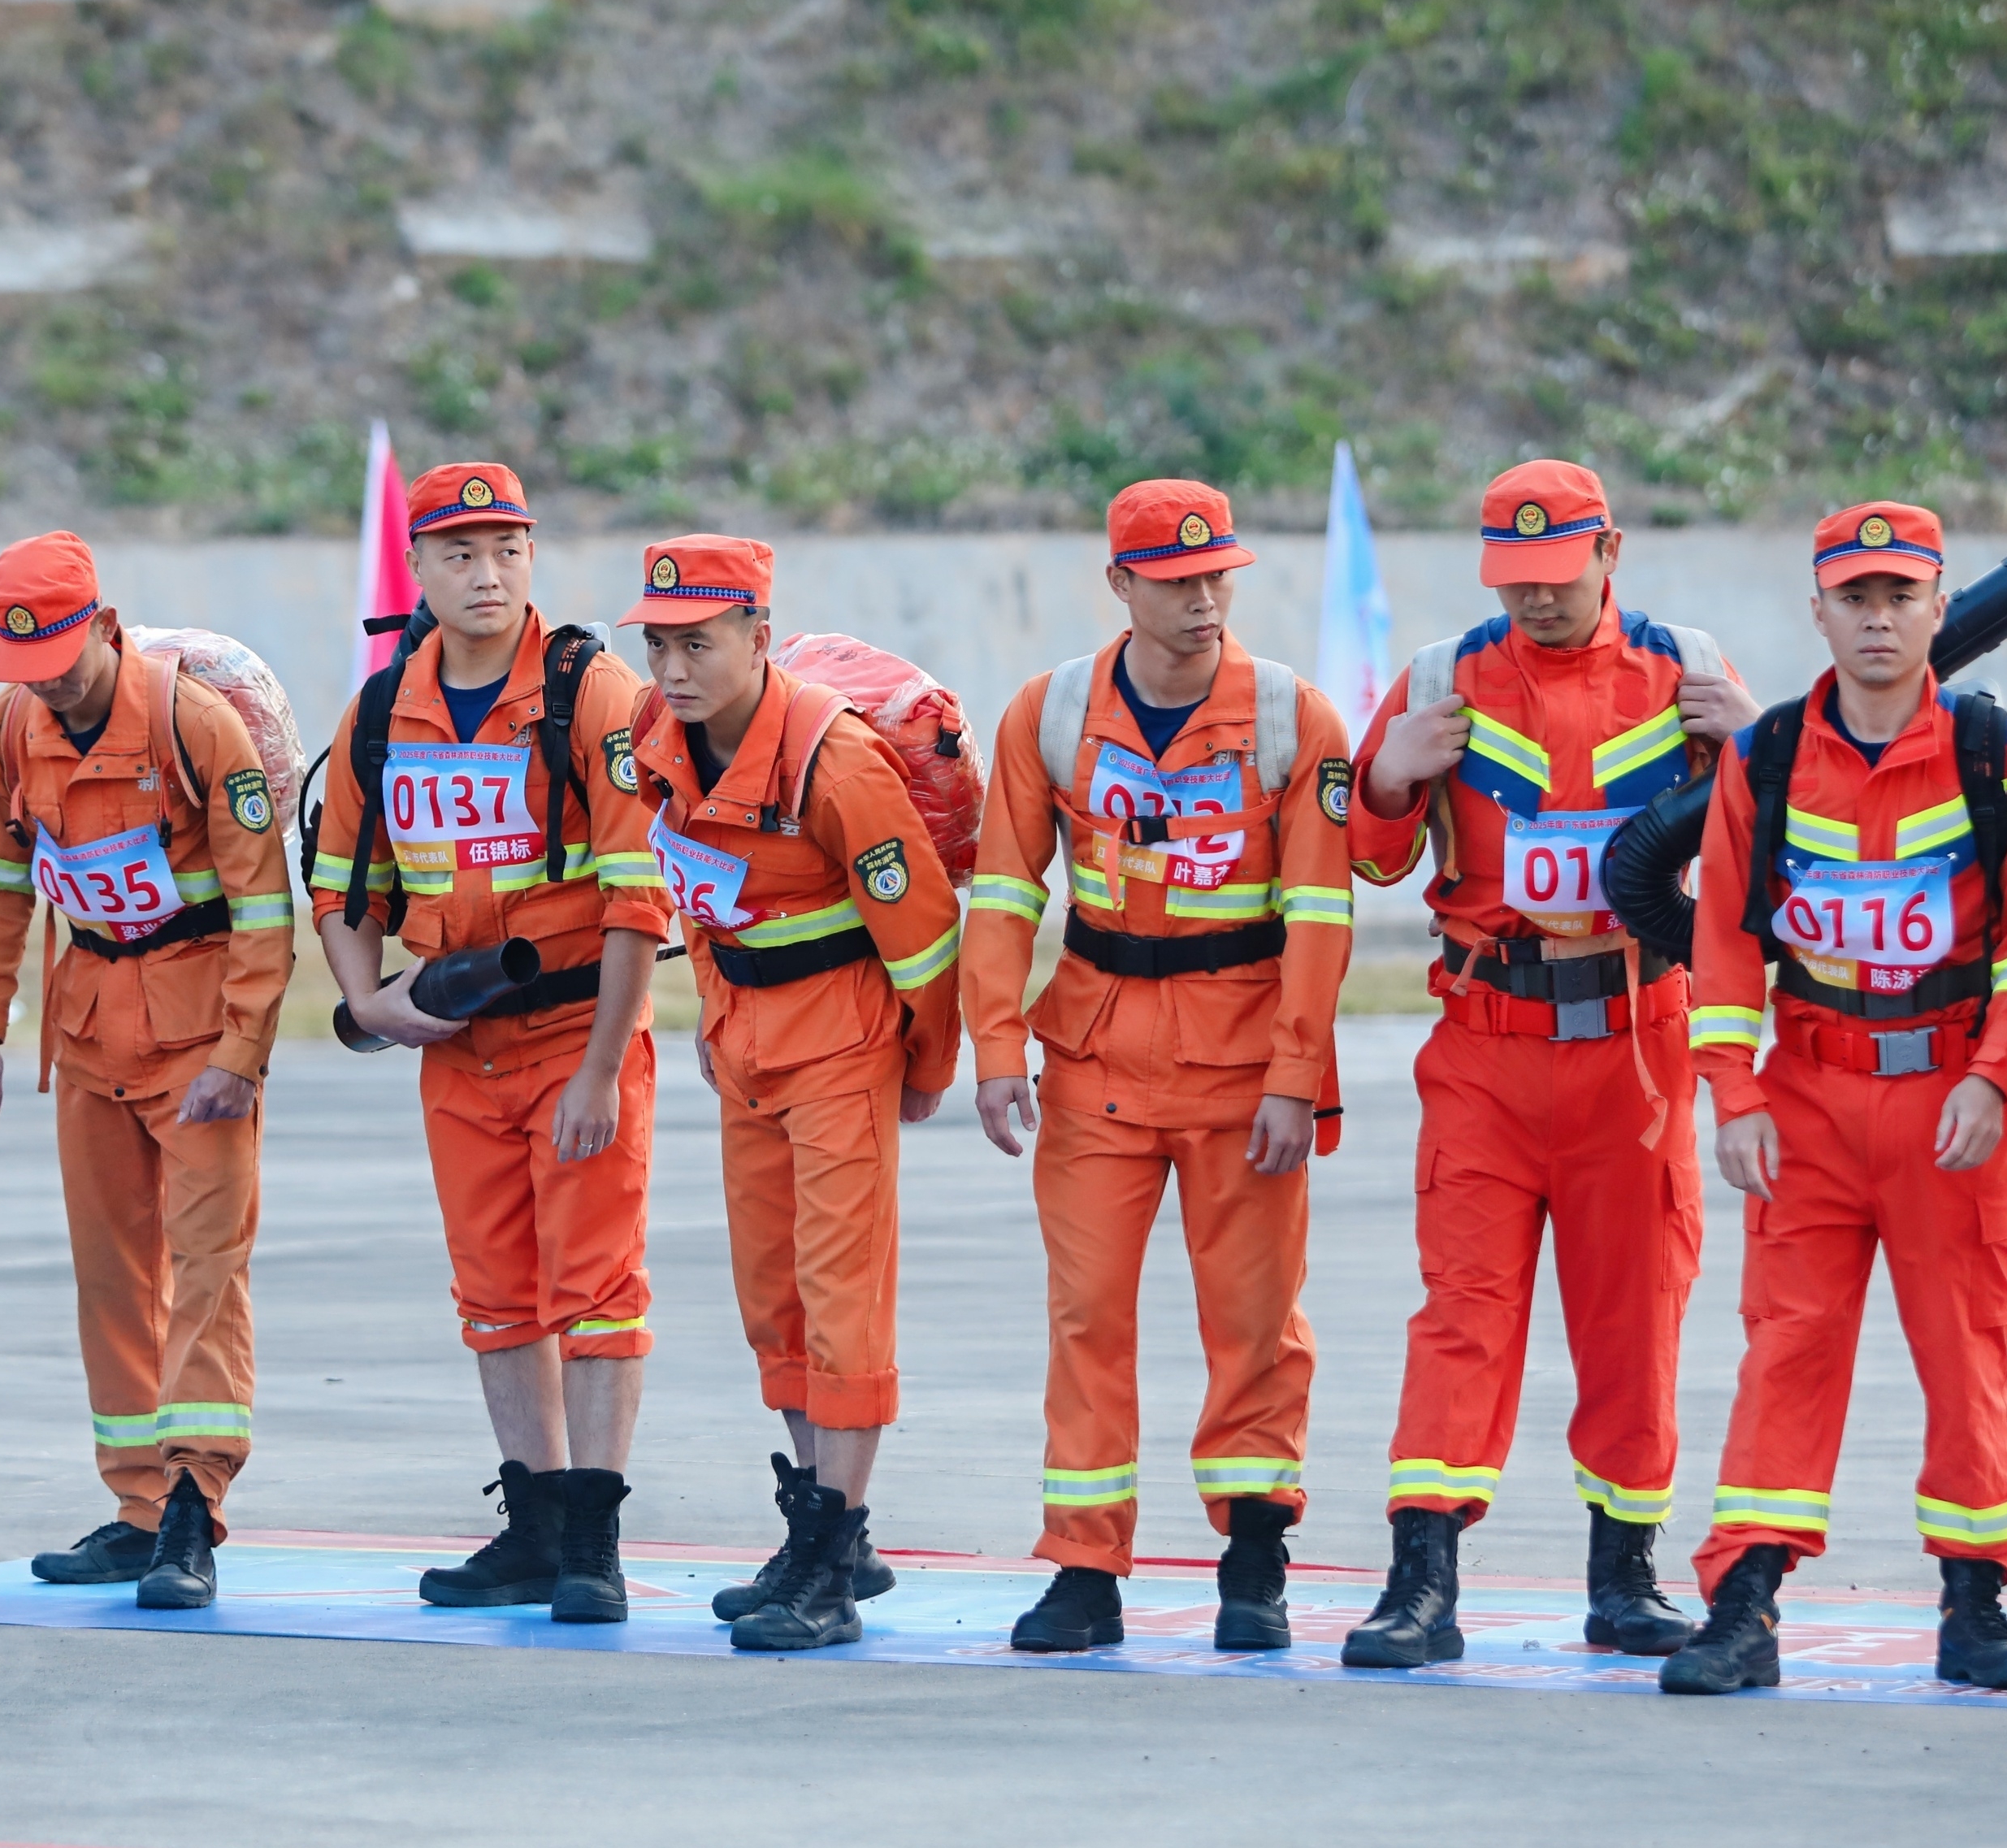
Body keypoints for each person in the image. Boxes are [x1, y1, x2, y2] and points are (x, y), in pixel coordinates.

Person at [1335, 458, 1754, 1670]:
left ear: (1610, 553)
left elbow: (1772, 856)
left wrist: (1752, 751)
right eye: (1515, 578)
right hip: (1486, 1046)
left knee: (1637, 1318)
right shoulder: (1441, 678)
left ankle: (1625, 1578)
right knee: (1461, 1314)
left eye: (1560, 575)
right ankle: (1422, 1580)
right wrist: (1390, 774)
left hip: (1637, 1046)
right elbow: (1370, 857)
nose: (1537, 598)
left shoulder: (1689, 673)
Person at [1662, 501, 2007, 1698]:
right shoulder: (1766, 757)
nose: (1878, 619)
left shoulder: (2003, 756)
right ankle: (1743, 1603)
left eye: (1900, 596)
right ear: (1819, 612)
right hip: (1808, 1100)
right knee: (1786, 1349)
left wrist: (1995, 1075)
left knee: (1966, 1348)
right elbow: (1724, 943)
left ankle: (1976, 1604)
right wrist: (1734, 1093)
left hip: (1951, 1100)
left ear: (1940, 607)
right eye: (1856, 598)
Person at [963, 478, 1355, 1655]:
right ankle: (1085, 1571)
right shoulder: (1050, 713)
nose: (1204, 598)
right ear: (1120, 584)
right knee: (1087, 1314)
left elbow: (1320, 915)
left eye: (1217, 575)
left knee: (1254, 1319)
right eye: (1178, 580)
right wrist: (996, 1044)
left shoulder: (1293, 719)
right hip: (1096, 1057)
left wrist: (1296, 1075)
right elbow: (1003, 892)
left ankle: (1255, 1555)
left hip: (1244, 1066)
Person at [306, 462, 670, 1621]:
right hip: (457, 1052)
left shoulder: (592, 693)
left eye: (508, 550)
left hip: (575, 1036)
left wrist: (604, 1069)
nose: (487, 574)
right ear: (417, 566)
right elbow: (340, 881)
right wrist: (367, 1001)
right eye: (460, 554)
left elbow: (638, 899)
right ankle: (534, 1526)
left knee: (598, 1292)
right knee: (496, 1295)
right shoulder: (380, 711)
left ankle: (594, 1542)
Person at [0, 531, 295, 1611]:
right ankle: (138, 1505)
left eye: (61, 659)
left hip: (198, 1040)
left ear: (102, 627)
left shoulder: (196, 723)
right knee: (111, 1276)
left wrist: (241, 1053)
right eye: (26, 665)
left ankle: (193, 1504)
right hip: (89, 1028)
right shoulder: (10, 729)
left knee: (206, 1271)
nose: (47, 683)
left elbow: (262, 905)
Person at [626, 533, 963, 1651]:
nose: (674, 668)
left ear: (759, 638)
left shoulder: (836, 763)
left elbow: (924, 935)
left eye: (699, 644)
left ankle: (833, 1553)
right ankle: (823, 1529)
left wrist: (925, 1069)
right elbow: (696, 887)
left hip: (841, 1044)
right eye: (659, 645)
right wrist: (714, 1010)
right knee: (772, 1296)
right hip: (747, 1043)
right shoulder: (659, 738)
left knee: (841, 1296)